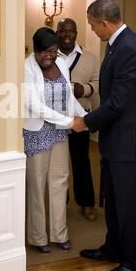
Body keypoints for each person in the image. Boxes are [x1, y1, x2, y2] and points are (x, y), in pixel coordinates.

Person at [72, 0, 136, 271]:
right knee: (115, 201)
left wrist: (86, 121)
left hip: (130, 142)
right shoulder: (117, 44)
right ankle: (113, 248)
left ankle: (133, 262)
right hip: (115, 139)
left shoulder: (129, 48)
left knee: (130, 205)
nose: (93, 30)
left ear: (104, 23)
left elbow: (119, 102)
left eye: (93, 25)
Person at [24, 27, 87, 253]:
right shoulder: (27, 67)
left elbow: (68, 96)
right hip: (37, 132)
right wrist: (71, 122)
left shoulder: (60, 62)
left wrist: (85, 117)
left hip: (60, 132)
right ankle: (39, 237)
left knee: (60, 182)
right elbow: (34, 106)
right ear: (35, 50)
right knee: (37, 186)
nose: (50, 56)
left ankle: (60, 234)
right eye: (46, 52)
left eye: (53, 51)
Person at [57, 18, 99, 221]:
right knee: (58, 164)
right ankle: (60, 204)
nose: (67, 35)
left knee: (81, 161)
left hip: (80, 118)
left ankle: (87, 203)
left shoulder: (89, 57)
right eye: (63, 31)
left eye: (70, 31)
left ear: (76, 33)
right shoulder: (47, 55)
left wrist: (85, 89)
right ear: (57, 33)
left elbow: (99, 83)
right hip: (55, 120)